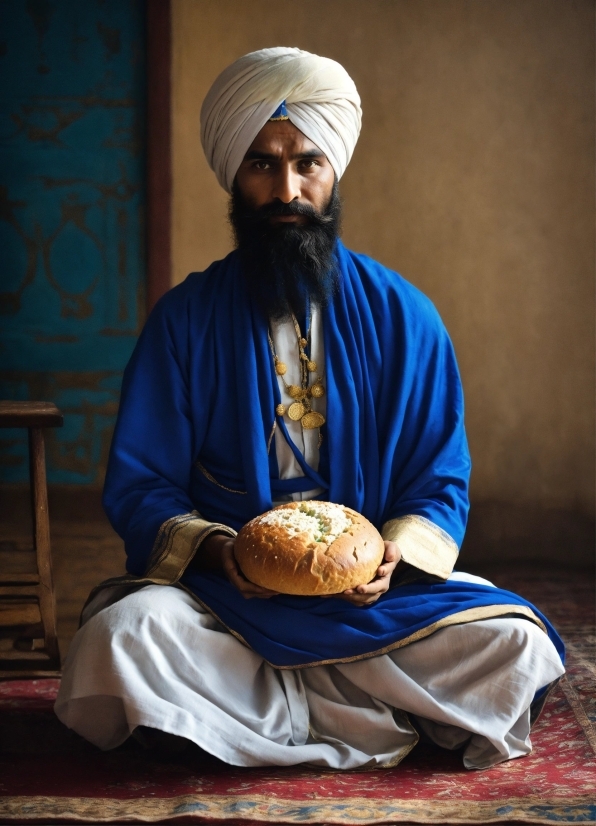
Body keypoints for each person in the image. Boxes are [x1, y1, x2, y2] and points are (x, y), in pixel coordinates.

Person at [55, 47, 565, 771]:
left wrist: (397, 555)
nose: (286, 189)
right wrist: (215, 547)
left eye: (307, 164)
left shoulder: (405, 317)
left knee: (517, 645)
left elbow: (439, 480)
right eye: (262, 164)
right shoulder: (184, 320)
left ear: (334, 173)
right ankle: (374, 714)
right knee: (120, 639)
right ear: (235, 175)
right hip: (227, 604)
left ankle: (252, 720)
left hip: (371, 606)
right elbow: (142, 484)